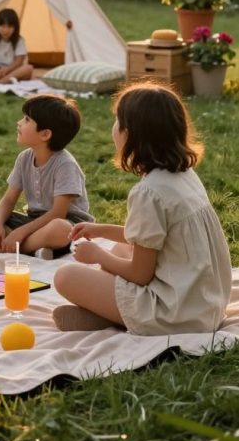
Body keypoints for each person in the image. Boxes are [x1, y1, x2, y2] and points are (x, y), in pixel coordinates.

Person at [53, 82, 232, 333]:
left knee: (66, 276)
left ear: (132, 133)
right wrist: (102, 230)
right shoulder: (184, 175)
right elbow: (157, 240)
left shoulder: (149, 192)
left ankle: (121, 318)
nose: (113, 128)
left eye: (117, 121)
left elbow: (139, 275)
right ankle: (110, 316)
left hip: (176, 314)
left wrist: (97, 255)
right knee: (120, 247)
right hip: (204, 304)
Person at [0, 93, 92, 258]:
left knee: (60, 229)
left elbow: (58, 213)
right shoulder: (24, 158)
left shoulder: (65, 165)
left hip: (68, 225)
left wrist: (19, 233)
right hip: (33, 221)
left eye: (26, 119)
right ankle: (30, 248)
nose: (19, 122)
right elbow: (8, 200)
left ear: (45, 134)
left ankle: (8, 246)